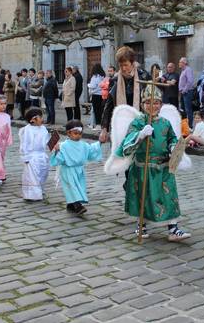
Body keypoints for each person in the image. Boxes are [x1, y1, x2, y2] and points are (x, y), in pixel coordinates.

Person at [115, 84, 191, 241]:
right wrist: (140, 135)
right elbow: (127, 144)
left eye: (156, 102)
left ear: (161, 104)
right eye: (148, 103)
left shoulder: (165, 123)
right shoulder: (137, 122)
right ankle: (141, 225)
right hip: (143, 167)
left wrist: (172, 148)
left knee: (169, 196)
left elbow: (172, 139)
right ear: (143, 104)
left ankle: (173, 229)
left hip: (163, 167)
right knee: (143, 196)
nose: (152, 106)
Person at [50, 119, 104, 215]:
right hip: (68, 171)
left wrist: (100, 142)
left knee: (79, 187)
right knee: (72, 187)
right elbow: (59, 160)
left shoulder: (84, 145)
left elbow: (91, 150)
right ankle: (78, 206)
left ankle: (71, 204)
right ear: (69, 133)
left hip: (79, 170)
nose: (78, 135)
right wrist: (57, 151)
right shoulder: (63, 146)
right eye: (75, 133)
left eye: (80, 133)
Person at [100, 46, 142, 143]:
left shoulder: (143, 77)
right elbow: (108, 106)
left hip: (140, 124)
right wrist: (104, 128)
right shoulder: (115, 80)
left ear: (132, 63)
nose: (123, 68)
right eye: (121, 65)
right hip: (120, 124)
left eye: (126, 65)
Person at [19, 107, 50, 201]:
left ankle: (40, 189)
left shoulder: (43, 128)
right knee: (33, 175)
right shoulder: (27, 130)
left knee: (42, 173)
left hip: (42, 155)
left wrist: (54, 144)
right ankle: (33, 194)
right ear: (33, 119)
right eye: (40, 117)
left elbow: (46, 141)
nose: (42, 119)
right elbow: (25, 144)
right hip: (32, 157)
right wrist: (26, 157)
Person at [178, 57, 195, 128]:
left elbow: (190, 81)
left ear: (184, 63)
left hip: (187, 92)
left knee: (188, 110)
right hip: (183, 93)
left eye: (180, 62)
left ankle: (190, 126)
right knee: (183, 110)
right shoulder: (183, 70)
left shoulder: (188, 70)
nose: (179, 64)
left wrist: (184, 90)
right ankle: (184, 125)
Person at [88, 64, 106, 129]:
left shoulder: (95, 77)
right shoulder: (103, 76)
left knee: (96, 111)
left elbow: (93, 86)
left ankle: (98, 125)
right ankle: (102, 124)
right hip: (102, 95)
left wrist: (88, 85)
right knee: (101, 110)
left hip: (95, 95)